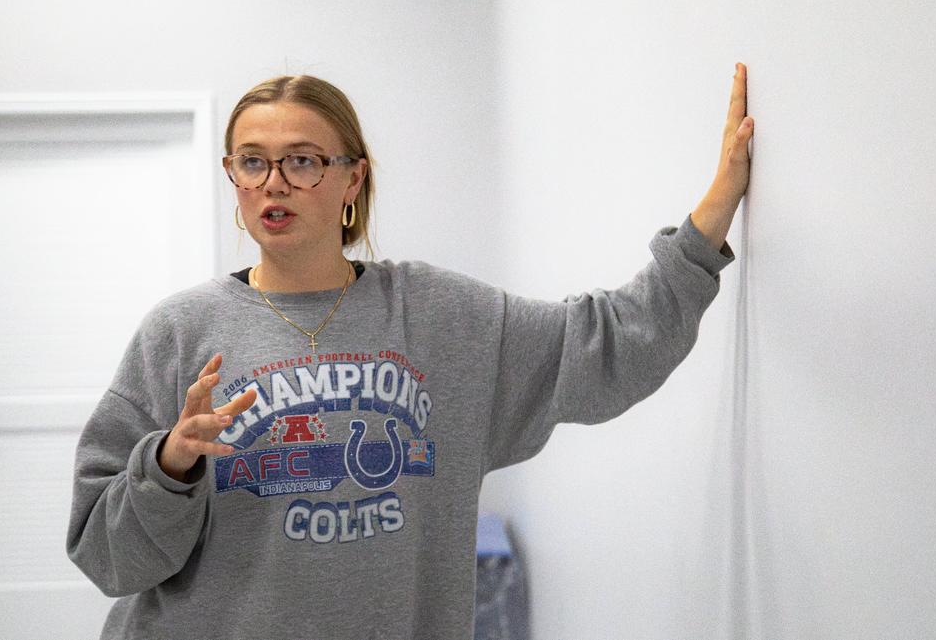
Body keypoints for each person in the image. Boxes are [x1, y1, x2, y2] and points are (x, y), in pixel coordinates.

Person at [67, 64, 754, 640]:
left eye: (302, 160)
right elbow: (108, 558)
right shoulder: (179, 332)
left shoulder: (440, 317)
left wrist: (710, 220)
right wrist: (167, 465)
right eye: (252, 161)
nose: (273, 181)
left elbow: (606, 345)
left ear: (352, 180)